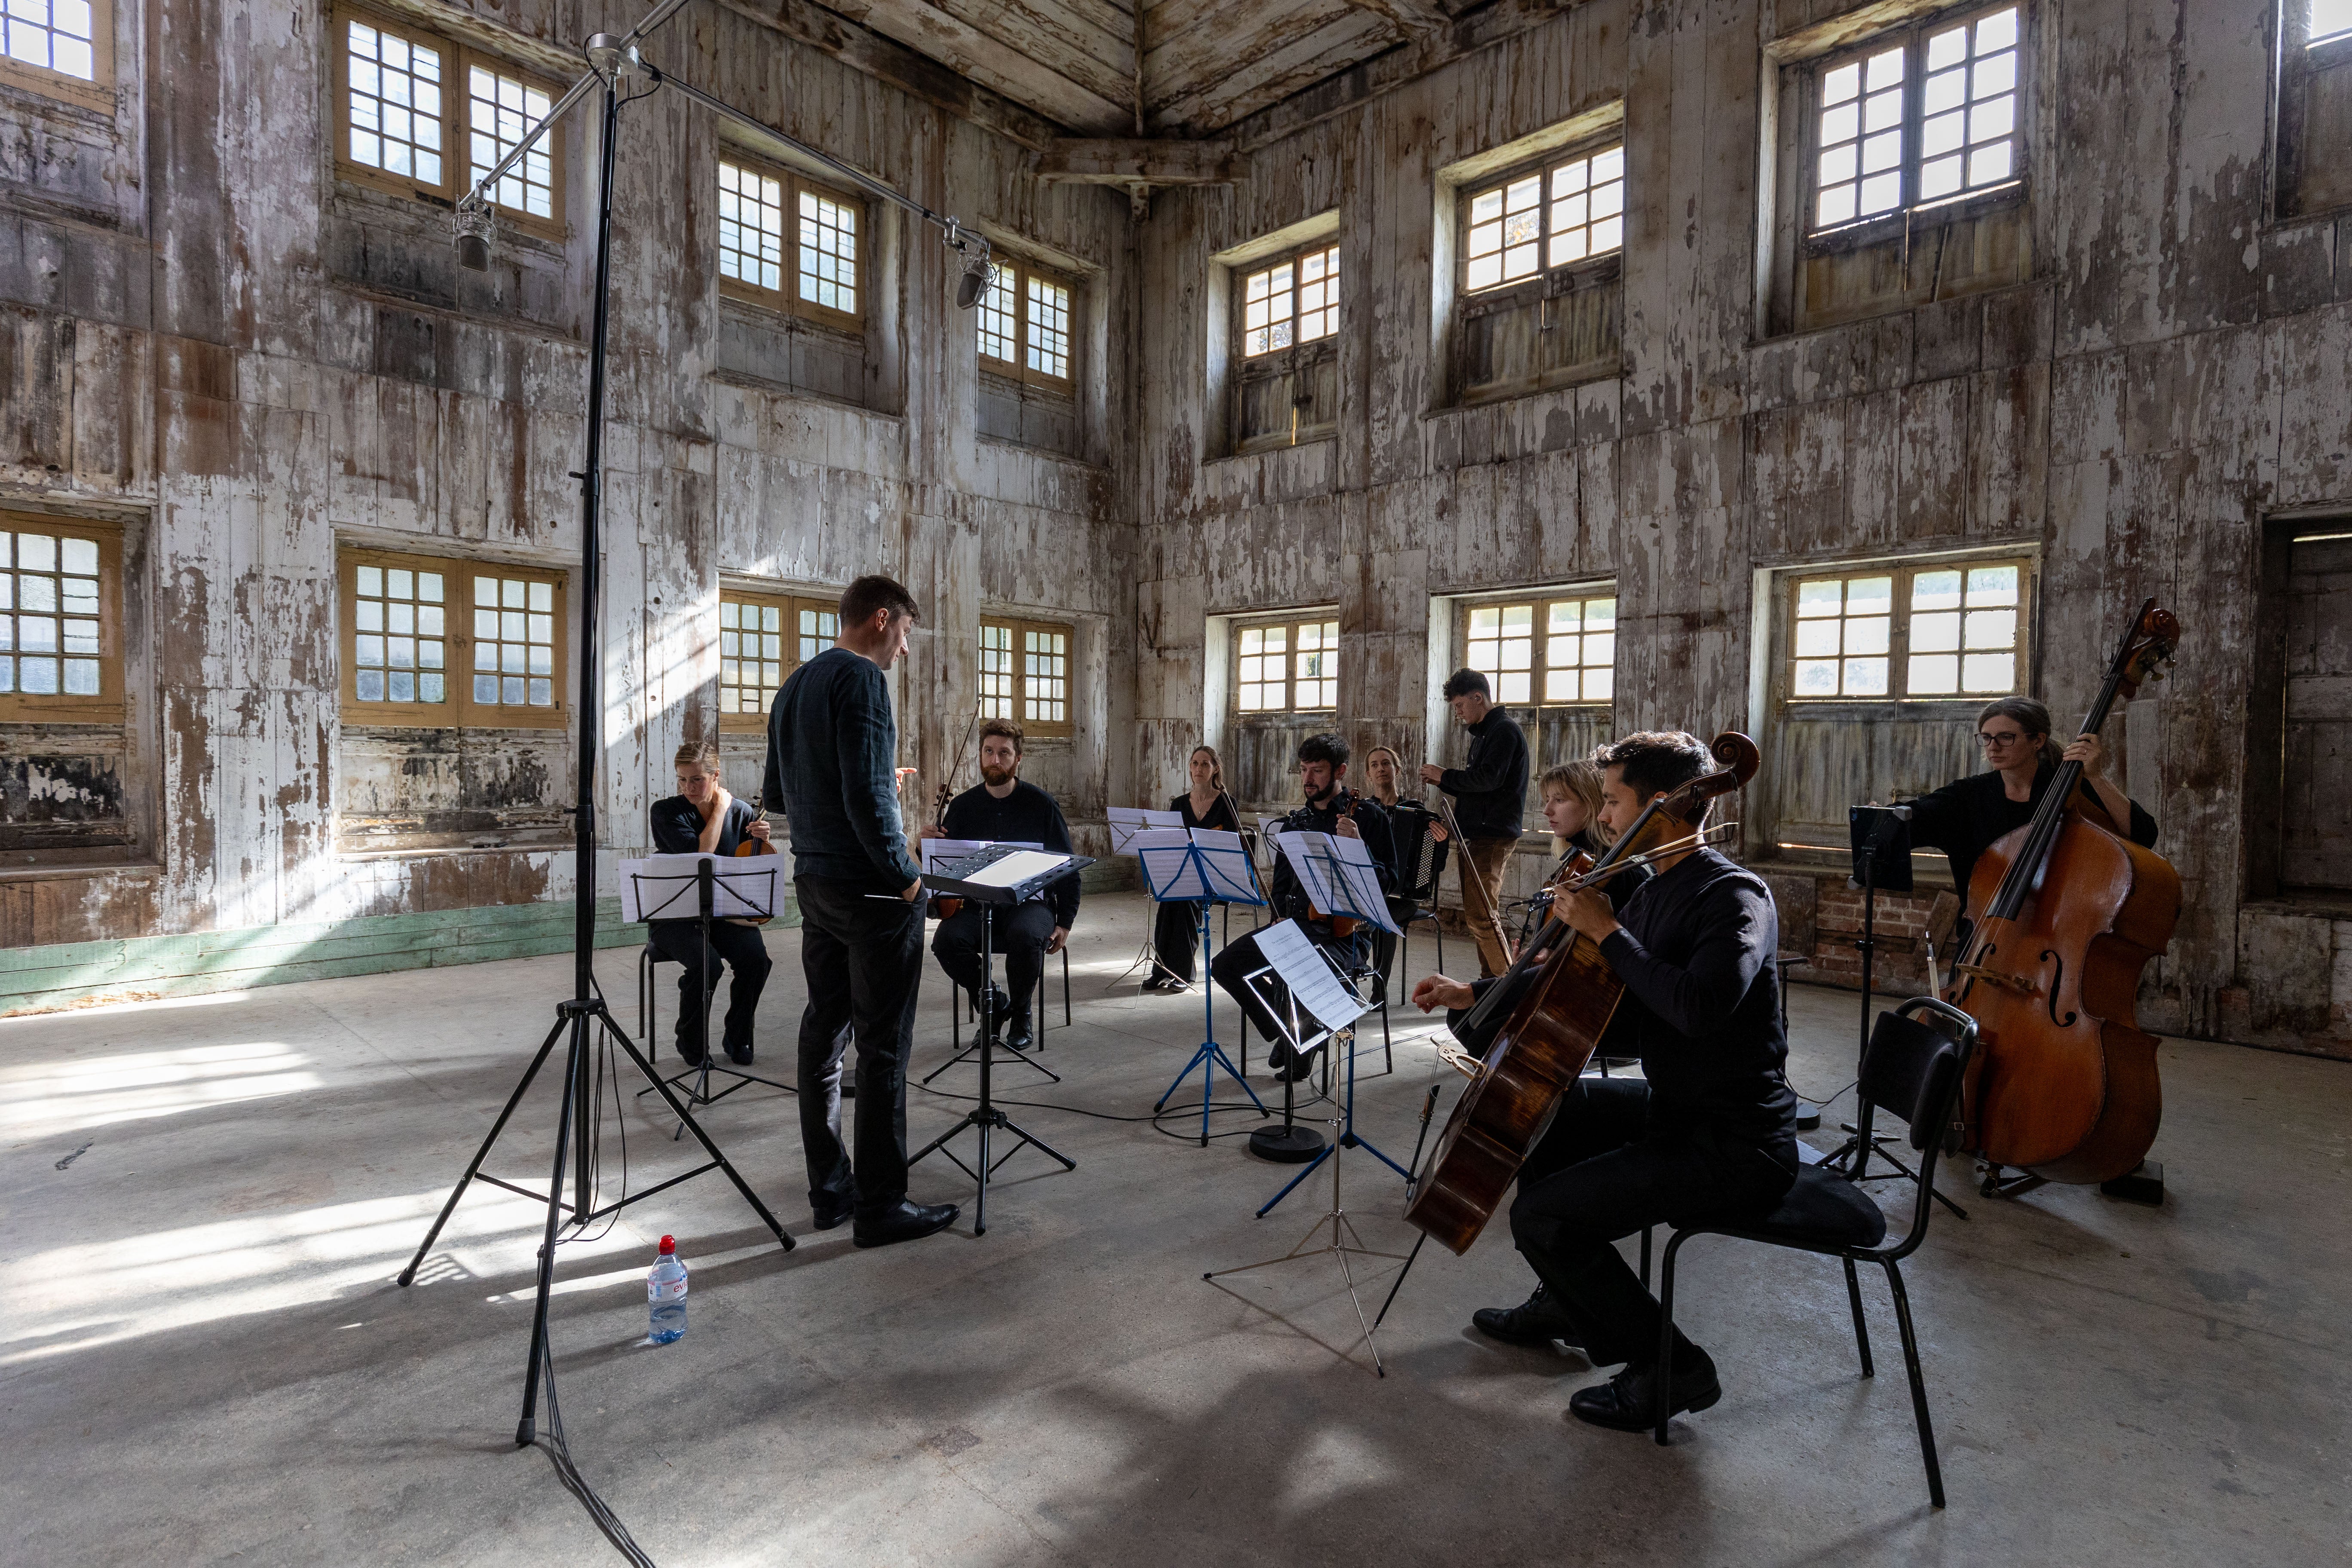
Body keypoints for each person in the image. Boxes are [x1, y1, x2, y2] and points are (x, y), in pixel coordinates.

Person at [1409, 731, 1796, 1433]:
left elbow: (1698, 1008)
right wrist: (1477, 991)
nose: (1605, 816)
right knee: (1550, 1107)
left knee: (1543, 1216)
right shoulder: (1655, 889)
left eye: (1613, 800)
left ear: (1661, 806)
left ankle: (1672, 1365)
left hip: (1736, 1139)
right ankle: (1564, 1296)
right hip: (1677, 1107)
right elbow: (1599, 996)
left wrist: (1608, 929)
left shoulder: (1734, 895)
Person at [763, 573, 957, 1249]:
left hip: (816, 883)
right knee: (882, 1051)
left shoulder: (795, 684)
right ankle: (881, 1206)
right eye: (905, 634)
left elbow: (778, 796)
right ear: (881, 620)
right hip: (874, 893)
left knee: (825, 1037)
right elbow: (868, 808)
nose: (904, 651)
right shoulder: (865, 683)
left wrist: (874, 774)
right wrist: (910, 882)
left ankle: (831, 1192)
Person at [1210, 733, 1397, 1082]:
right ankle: (1292, 1030)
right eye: (1304, 770)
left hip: (1346, 936)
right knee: (1225, 966)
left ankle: (1302, 1037)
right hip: (1296, 925)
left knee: (1296, 964)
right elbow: (1281, 885)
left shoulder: (1369, 819)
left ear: (1340, 771)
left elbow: (1390, 883)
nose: (1308, 780)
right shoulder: (1296, 822)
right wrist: (1278, 914)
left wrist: (1360, 847)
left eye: (1318, 771)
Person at [1900, 696, 2158, 943]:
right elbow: (1916, 817)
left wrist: (2097, 777)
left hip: (2056, 935)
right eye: (1987, 738)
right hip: (1984, 936)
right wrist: (1883, 816)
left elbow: (2142, 836)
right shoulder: (1966, 796)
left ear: (2037, 741)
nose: (1993, 746)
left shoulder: (2069, 788)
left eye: (2006, 737)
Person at [919, 718, 1080, 1052]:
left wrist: (1065, 921)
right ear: (980, 755)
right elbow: (946, 867)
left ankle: (1021, 1014)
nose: (995, 760)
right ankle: (993, 1004)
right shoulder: (962, 806)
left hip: (1030, 905)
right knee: (946, 942)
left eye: (1004, 753)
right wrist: (924, 846)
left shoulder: (1042, 804)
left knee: (1025, 935)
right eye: (989, 752)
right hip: (976, 905)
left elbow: (1067, 867)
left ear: (1018, 758)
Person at [645, 741, 773, 1067]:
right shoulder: (665, 811)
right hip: (676, 916)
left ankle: (738, 1037)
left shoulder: (743, 812)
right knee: (707, 966)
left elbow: (750, 868)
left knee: (756, 962)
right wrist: (720, 809)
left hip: (725, 914)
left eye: (697, 779)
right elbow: (701, 855)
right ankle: (691, 1042)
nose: (689, 788)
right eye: (682, 780)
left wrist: (763, 839)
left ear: (715, 776)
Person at [1421, 669, 1529, 978]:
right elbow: (1478, 786)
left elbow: (1488, 780)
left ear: (1478, 697)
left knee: (1483, 917)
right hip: (1479, 835)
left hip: (1492, 836)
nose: (1458, 713)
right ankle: (1490, 980)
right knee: (1479, 916)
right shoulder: (1485, 733)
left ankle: (1504, 985)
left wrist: (1445, 776)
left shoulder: (1504, 732)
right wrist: (1444, 781)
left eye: (1459, 705)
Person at [1145, 744, 1243, 992]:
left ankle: (1183, 973)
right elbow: (1169, 841)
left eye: (1205, 764)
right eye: (1195, 763)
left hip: (1212, 873)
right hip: (1182, 871)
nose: (1199, 768)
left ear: (1215, 769)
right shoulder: (1178, 804)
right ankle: (1162, 969)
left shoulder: (1227, 803)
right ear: (1190, 768)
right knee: (1168, 899)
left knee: (1186, 902)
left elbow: (1231, 843)